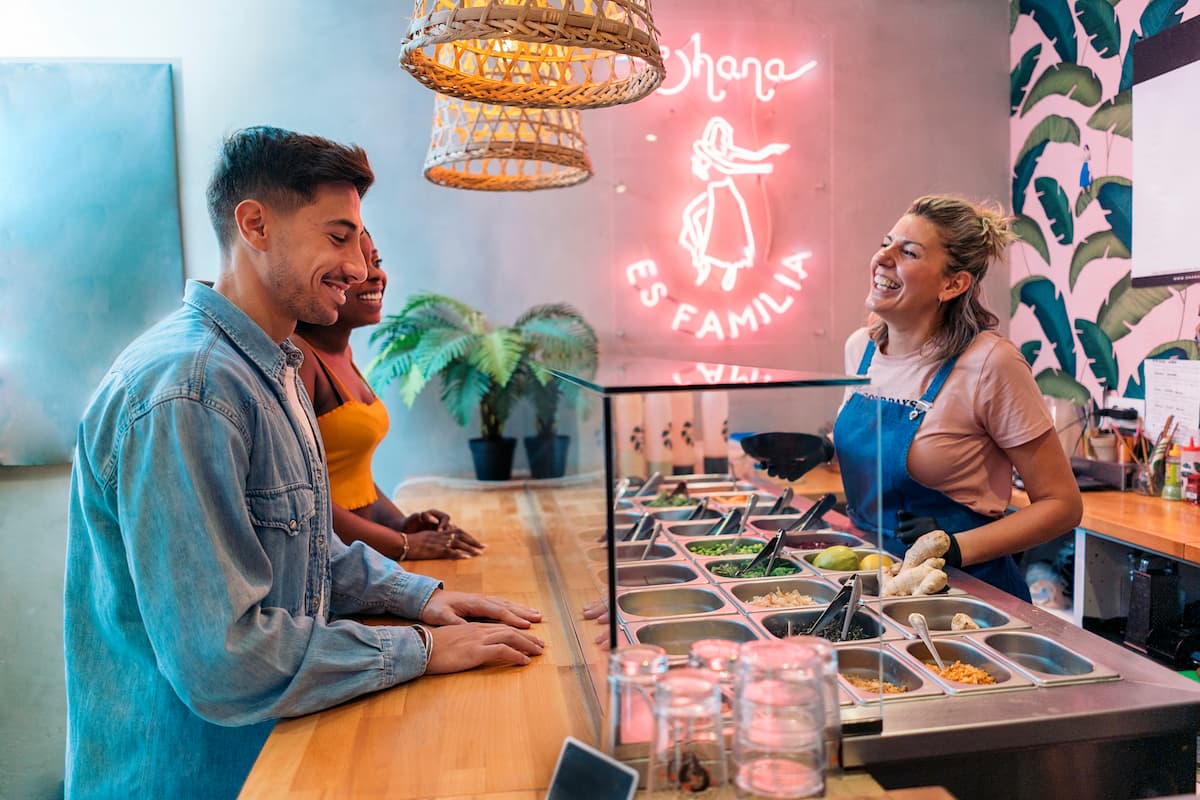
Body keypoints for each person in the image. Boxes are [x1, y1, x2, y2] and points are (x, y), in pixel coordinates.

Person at [65, 127, 544, 799]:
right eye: (337, 237)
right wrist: (420, 651)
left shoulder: (275, 363)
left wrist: (423, 599)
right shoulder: (190, 390)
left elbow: (305, 546)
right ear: (255, 225)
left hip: (273, 747)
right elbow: (222, 659)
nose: (358, 266)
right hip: (197, 776)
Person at [833, 195, 1083, 600]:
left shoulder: (990, 363)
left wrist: (955, 544)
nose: (883, 257)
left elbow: (1062, 505)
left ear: (953, 284)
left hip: (964, 589)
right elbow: (880, 461)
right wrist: (817, 451)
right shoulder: (860, 349)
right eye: (887, 242)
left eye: (908, 251)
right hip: (876, 577)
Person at [293, 230, 484, 560]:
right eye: (356, 264)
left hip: (367, 555)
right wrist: (403, 545)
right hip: (334, 565)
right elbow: (308, 500)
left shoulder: (344, 354)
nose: (376, 275)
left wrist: (401, 522)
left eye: (376, 261)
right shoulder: (300, 357)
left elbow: (354, 480)